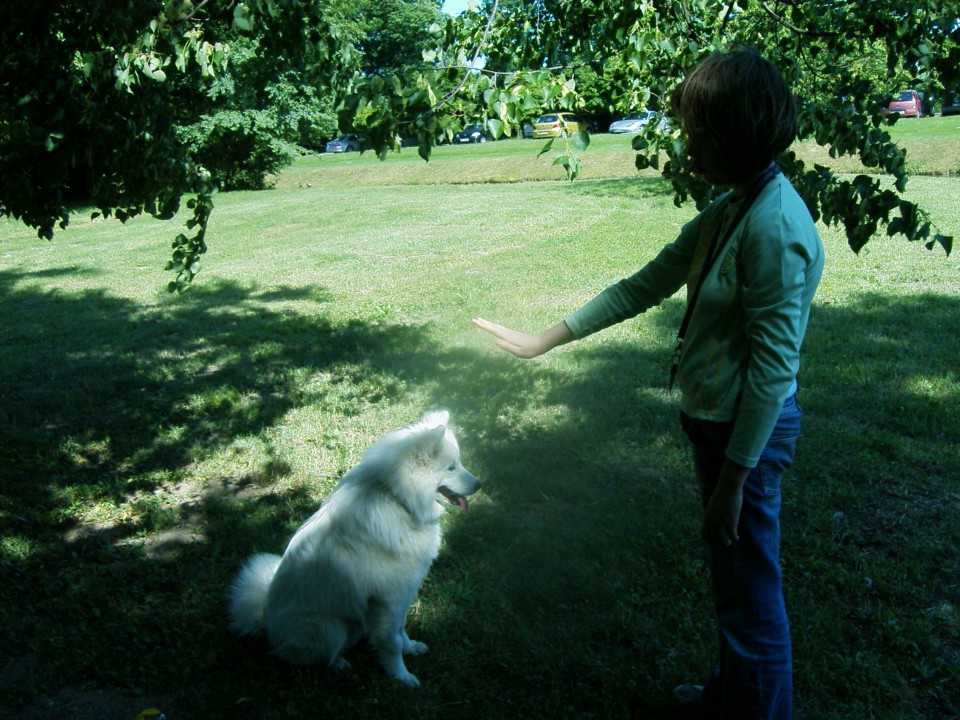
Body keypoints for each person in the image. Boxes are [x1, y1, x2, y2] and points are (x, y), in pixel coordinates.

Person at [472, 48, 823, 719]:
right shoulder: (735, 207)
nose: (686, 148)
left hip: (743, 436)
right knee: (736, 589)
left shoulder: (775, 229)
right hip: (719, 426)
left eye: (695, 135)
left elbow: (774, 374)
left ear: (732, 136)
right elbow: (647, 283)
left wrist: (732, 484)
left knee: (753, 601)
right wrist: (545, 339)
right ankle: (731, 697)